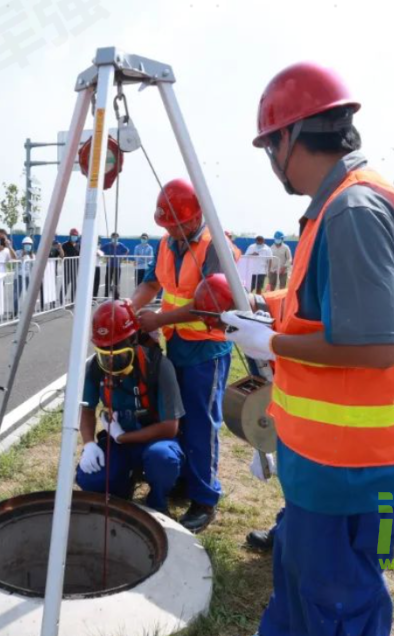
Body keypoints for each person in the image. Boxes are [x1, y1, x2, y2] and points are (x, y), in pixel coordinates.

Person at [222, 63, 394, 636]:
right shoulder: (341, 202)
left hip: (350, 464)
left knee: (335, 604)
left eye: (270, 145)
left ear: (289, 138)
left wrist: (274, 342)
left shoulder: (352, 210)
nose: (271, 162)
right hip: (336, 458)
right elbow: (333, 299)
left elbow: (375, 343)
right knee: (301, 588)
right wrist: (270, 307)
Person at [129, 178, 232, 533]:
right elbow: (151, 283)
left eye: (179, 223)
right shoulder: (166, 243)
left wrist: (159, 318)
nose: (173, 230)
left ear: (198, 215)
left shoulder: (214, 246)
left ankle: (205, 499)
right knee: (179, 419)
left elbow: (211, 303)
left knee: (202, 423)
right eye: (167, 224)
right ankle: (184, 482)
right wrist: (128, 309)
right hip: (175, 343)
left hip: (207, 347)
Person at [77, 300, 185, 513]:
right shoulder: (95, 368)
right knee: (90, 479)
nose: (111, 365)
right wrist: (89, 444)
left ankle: (157, 500)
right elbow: (87, 409)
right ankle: (121, 489)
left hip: (155, 441)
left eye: (118, 356)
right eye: (104, 354)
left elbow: (170, 427)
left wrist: (122, 437)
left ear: (134, 340)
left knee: (163, 460)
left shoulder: (159, 366)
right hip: (117, 441)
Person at [100, 232, 129, 298]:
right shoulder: (108, 245)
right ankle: (106, 295)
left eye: (116, 237)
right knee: (108, 281)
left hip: (117, 266)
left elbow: (127, 250)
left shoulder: (120, 245)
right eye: (113, 237)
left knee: (116, 282)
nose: (115, 239)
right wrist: (104, 256)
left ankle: (116, 296)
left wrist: (123, 257)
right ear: (111, 238)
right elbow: (100, 250)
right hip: (109, 266)